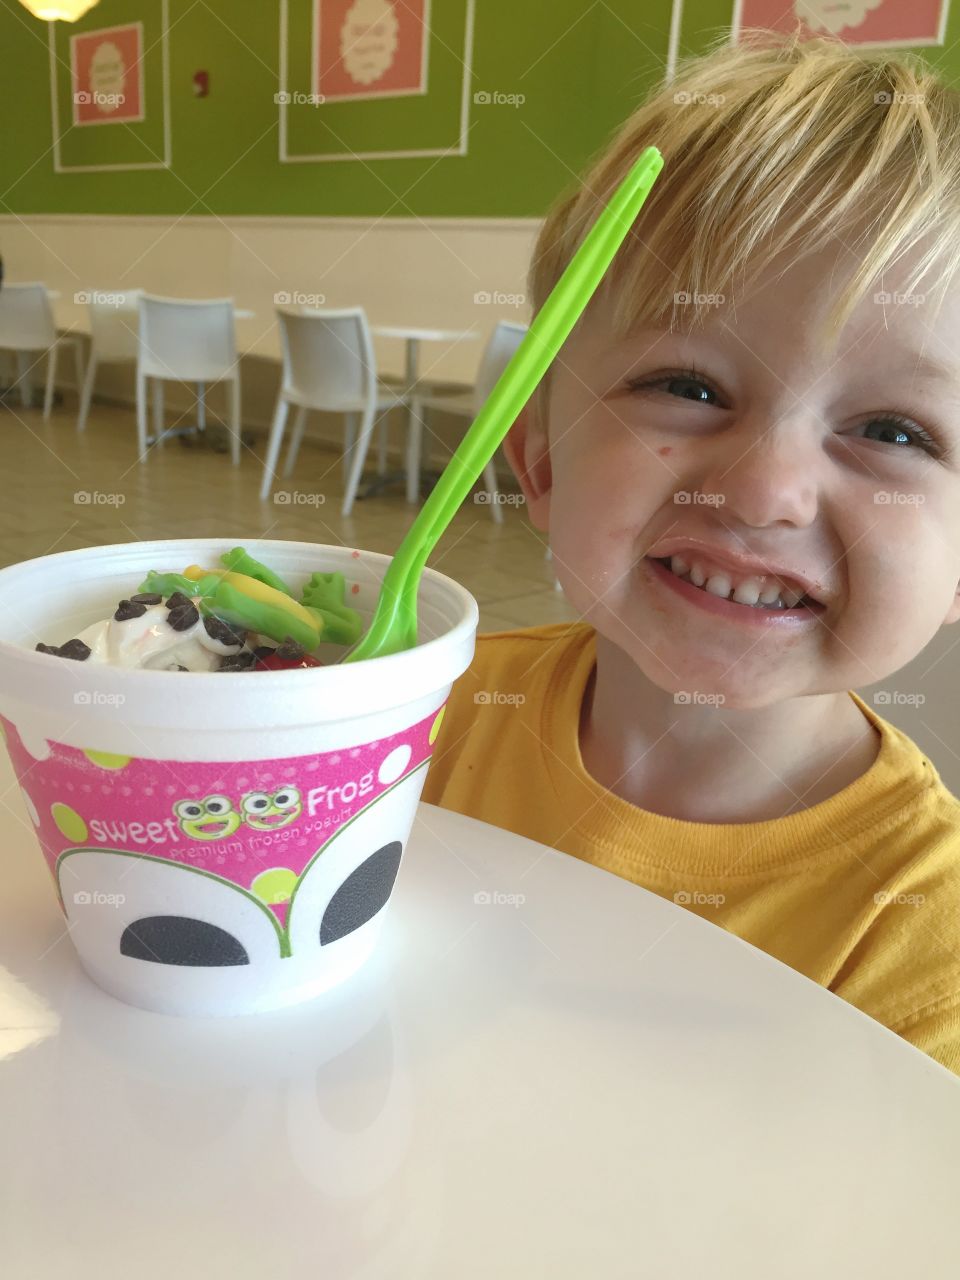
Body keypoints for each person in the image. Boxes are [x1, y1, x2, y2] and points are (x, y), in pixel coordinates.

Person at [421, 30, 960, 1076]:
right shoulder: (421, 714)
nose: (762, 490)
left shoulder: (923, 931)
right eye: (690, 385)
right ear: (536, 457)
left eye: (896, 430)